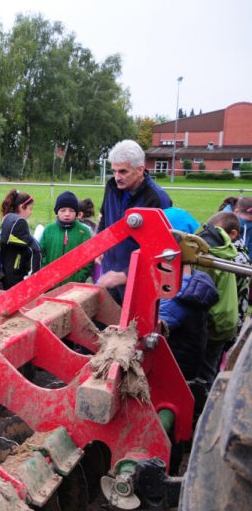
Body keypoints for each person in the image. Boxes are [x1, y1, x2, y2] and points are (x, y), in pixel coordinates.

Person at [97, 140, 172, 303]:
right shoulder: (111, 188)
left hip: (138, 281)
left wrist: (125, 274)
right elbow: (105, 218)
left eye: (123, 171)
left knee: (132, 319)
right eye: (114, 171)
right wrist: (99, 247)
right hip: (109, 274)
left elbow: (160, 249)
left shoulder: (157, 199)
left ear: (140, 170)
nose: (117, 177)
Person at [194, 216, 238, 390]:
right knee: (211, 366)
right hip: (226, 321)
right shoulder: (224, 251)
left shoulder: (206, 257)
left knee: (202, 372)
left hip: (216, 323)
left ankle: (205, 399)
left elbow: (195, 295)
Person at [159, 266, 218, 382]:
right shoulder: (193, 280)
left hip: (175, 366)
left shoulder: (180, 293)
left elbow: (156, 324)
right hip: (186, 361)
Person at [39, 191, 93, 284]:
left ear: (77, 213)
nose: (67, 214)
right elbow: (41, 255)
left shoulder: (84, 232)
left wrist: (79, 278)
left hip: (74, 287)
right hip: (50, 285)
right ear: (57, 212)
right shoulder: (48, 230)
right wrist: (46, 276)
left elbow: (88, 258)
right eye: (63, 210)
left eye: (71, 210)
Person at [0, 189, 41, 289]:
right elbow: (35, 249)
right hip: (17, 280)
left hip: (6, 278)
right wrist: (32, 281)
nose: (31, 213)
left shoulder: (6, 220)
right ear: (22, 207)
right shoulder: (18, 224)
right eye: (30, 209)